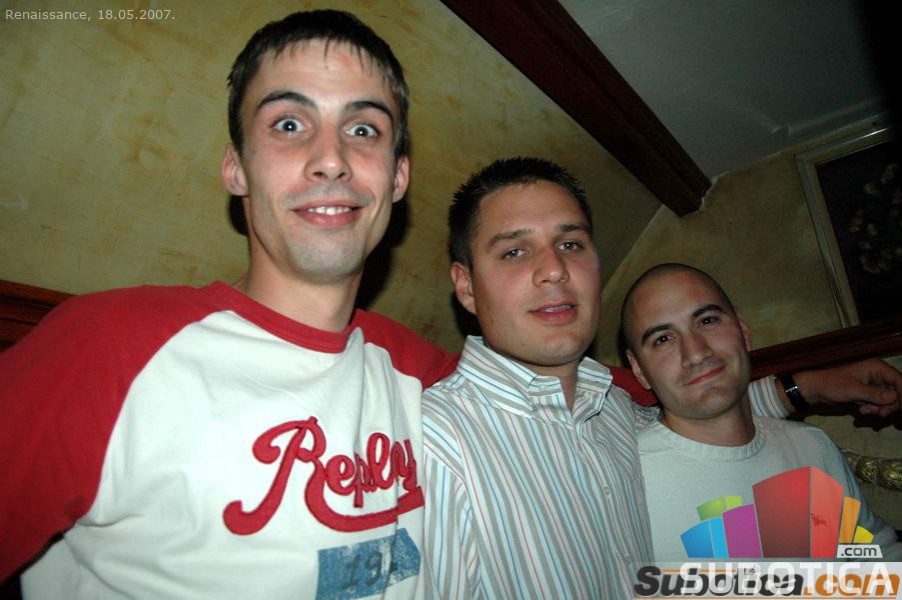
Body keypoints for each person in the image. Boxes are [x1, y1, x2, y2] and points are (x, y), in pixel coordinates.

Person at [0, 10, 459, 598]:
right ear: (236, 169)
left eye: (364, 129)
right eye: (289, 124)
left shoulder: (421, 373)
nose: (331, 158)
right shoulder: (107, 347)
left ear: (397, 178)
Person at [422, 157, 902, 599]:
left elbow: (705, 418)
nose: (554, 269)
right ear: (466, 286)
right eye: (514, 251)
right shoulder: (430, 444)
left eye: (570, 244)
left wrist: (811, 386)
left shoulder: (610, 408)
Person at [622, 263, 901, 561]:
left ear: (743, 330)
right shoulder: (627, 487)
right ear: (639, 369)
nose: (696, 353)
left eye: (707, 320)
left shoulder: (812, 446)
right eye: (663, 339)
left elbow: (878, 559)